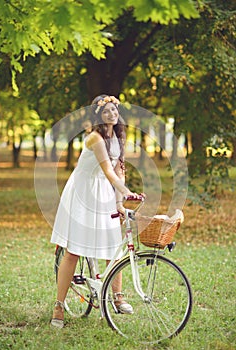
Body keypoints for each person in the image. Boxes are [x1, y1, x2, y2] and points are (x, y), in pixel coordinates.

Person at [50, 94, 141, 328]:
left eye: (114, 109)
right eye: (106, 111)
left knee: (114, 247)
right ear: (98, 116)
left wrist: (120, 201)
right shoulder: (94, 138)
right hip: (83, 192)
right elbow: (108, 172)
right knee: (73, 252)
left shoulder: (118, 136)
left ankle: (117, 297)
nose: (111, 113)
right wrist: (126, 189)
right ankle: (58, 306)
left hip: (103, 192)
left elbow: (119, 170)